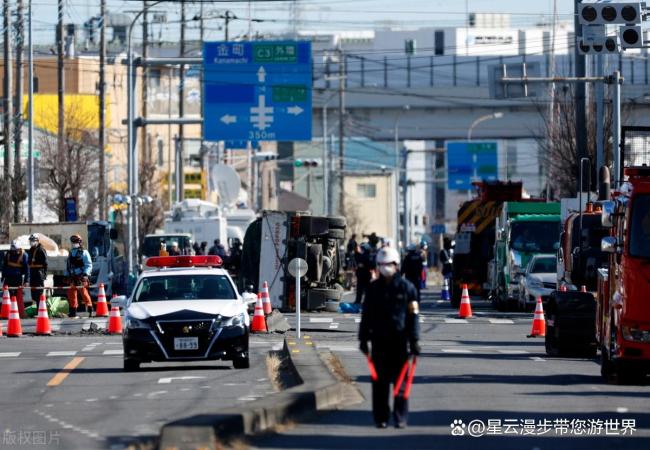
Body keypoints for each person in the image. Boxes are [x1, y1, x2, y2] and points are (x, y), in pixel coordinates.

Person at [359, 246, 420, 429]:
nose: (386, 267)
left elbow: (413, 316)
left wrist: (415, 340)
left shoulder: (407, 288)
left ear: (397, 265)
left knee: (400, 383)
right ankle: (381, 418)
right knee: (380, 384)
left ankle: (400, 417)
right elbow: (366, 315)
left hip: (400, 343)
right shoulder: (372, 289)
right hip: (378, 342)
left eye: (389, 264)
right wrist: (363, 339)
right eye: (382, 264)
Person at [65, 234, 93, 318]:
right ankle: (73, 311)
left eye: (75, 242)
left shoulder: (84, 252)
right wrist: (66, 275)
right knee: (71, 293)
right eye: (73, 242)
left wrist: (86, 274)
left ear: (80, 242)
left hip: (81, 276)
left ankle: (90, 309)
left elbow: (89, 265)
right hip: (72, 276)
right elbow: (68, 265)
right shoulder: (71, 253)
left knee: (84, 293)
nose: (74, 243)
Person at [1, 240, 29, 318]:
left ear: (19, 248)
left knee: (17, 297)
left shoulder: (24, 255)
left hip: (17, 278)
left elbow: (27, 269)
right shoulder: (8, 254)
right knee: (7, 296)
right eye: (12, 250)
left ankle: (18, 314)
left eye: (15, 250)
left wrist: (26, 280)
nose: (13, 251)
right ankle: (7, 313)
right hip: (8, 278)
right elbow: (4, 266)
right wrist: (3, 277)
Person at [27, 234, 48, 308]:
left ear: (37, 241)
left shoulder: (41, 249)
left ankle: (41, 310)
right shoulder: (31, 250)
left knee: (39, 292)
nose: (31, 242)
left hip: (39, 273)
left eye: (33, 241)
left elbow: (45, 263)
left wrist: (44, 275)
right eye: (30, 241)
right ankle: (38, 310)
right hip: (32, 272)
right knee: (33, 293)